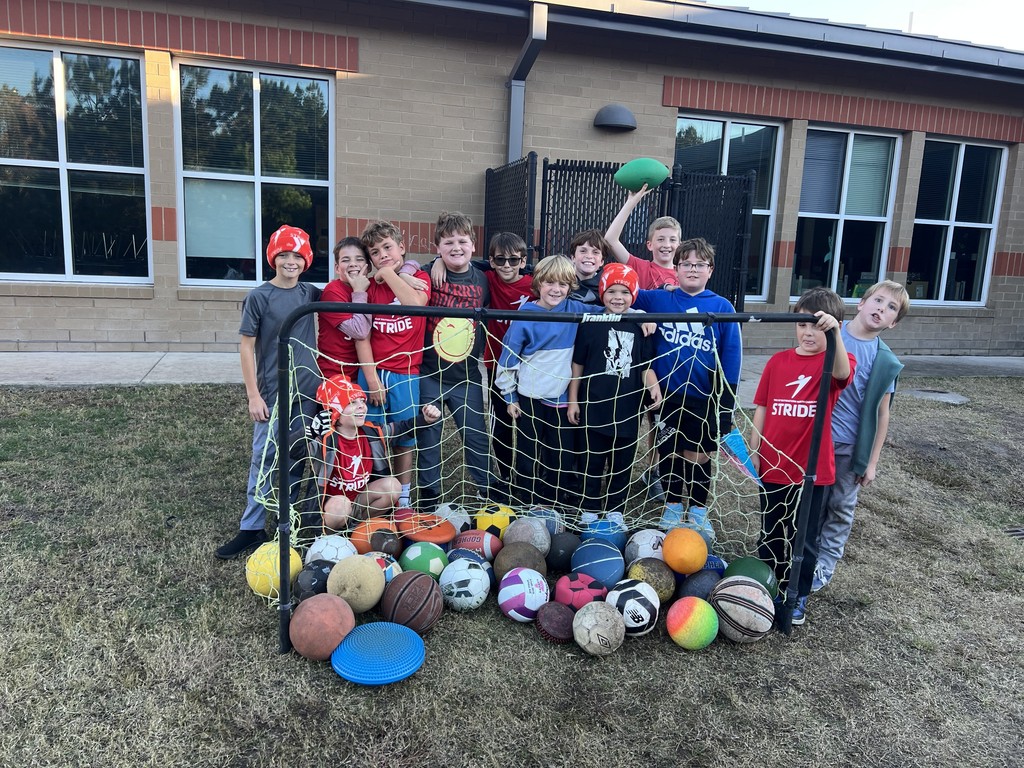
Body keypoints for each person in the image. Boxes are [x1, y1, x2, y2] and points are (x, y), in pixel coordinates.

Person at [750, 286, 855, 626]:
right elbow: (762, 406)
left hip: (812, 471)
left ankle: (798, 594)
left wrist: (835, 334)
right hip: (774, 465)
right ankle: (768, 586)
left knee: (804, 538)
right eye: (802, 325)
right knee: (771, 531)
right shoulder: (778, 361)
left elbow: (842, 374)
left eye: (817, 326)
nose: (808, 333)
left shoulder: (833, 361)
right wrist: (755, 448)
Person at [215, 225, 321, 560]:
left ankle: (286, 522)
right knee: (263, 459)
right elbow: (246, 347)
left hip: (307, 393)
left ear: (306, 260)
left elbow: (347, 290)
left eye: (297, 256)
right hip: (273, 394)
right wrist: (253, 395)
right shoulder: (259, 297)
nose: (291, 261)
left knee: (298, 456)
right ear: (273, 257)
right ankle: (251, 528)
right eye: (283, 254)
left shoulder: (310, 293)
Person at [631, 238, 742, 538]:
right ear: (676, 269)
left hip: (702, 397)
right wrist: (640, 316)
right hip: (667, 396)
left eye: (700, 264)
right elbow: (622, 293)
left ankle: (697, 508)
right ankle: (671, 505)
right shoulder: (659, 299)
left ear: (711, 270)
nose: (693, 269)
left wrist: (726, 405)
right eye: (686, 264)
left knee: (699, 454)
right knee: (669, 451)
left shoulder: (722, 306)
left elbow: (732, 356)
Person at [813, 280, 910, 592]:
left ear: (893, 323)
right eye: (878, 300)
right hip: (817, 439)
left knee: (840, 506)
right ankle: (804, 554)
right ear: (861, 303)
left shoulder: (885, 361)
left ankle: (824, 564)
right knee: (813, 503)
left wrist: (872, 462)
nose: (881, 308)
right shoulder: (830, 331)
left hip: (850, 446)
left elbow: (882, 413)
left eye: (891, 308)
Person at [495, 254, 598, 510]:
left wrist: (637, 314)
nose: (556, 289)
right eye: (550, 282)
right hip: (529, 396)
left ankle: (556, 501)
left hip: (561, 396)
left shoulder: (574, 309)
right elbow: (508, 358)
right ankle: (525, 500)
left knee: (560, 454)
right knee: (528, 453)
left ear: (570, 287)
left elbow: (609, 312)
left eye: (563, 284)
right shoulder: (526, 315)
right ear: (538, 283)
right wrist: (510, 397)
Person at [567, 263, 662, 525]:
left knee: (622, 463)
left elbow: (645, 366)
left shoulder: (640, 326)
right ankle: (589, 506)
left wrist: (653, 385)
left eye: (624, 292)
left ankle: (615, 509)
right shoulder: (590, 324)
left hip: (627, 410)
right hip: (594, 407)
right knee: (592, 461)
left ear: (633, 295)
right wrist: (573, 400)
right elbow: (578, 365)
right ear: (602, 293)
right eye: (611, 291)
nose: (618, 298)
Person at [416, 211, 497, 512]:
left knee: (476, 436)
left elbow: (508, 267)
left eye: (462, 241)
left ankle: (489, 491)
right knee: (429, 437)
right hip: (430, 374)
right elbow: (406, 270)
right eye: (448, 242)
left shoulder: (484, 278)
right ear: (437, 247)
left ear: (473, 245)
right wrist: (434, 263)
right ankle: (429, 497)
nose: (456, 247)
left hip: (466, 377)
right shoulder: (427, 273)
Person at [358, 221, 431, 508]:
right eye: (375, 253)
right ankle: (373, 491)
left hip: (405, 373)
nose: (383, 255)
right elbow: (363, 336)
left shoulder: (419, 277)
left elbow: (414, 304)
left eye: (387, 247)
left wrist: (388, 273)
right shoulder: (370, 289)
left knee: (405, 436)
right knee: (370, 435)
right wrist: (371, 379)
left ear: (401, 247)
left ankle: (403, 499)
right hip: (374, 372)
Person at [310, 375, 441, 530]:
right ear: (334, 411)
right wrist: (310, 433)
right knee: (340, 506)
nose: (361, 406)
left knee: (392, 486)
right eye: (352, 402)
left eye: (362, 401)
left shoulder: (372, 432)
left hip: (361, 500)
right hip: (334, 506)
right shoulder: (324, 440)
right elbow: (294, 451)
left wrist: (424, 419)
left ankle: (356, 528)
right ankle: (331, 536)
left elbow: (402, 429)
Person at [481, 233, 535, 486]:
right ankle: (504, 475)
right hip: (496, 363)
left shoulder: (534, 285)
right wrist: (437, 261)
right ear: (491, 261)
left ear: (523, 261)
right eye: (500, 259)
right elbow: (464, 264)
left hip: (529, 365)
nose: (506, 265)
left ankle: (528, 476)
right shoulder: (487, 278)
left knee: (528, 423)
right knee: (501, 423)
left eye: (513, 260)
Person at [604, 184, 681, 290]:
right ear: (650, 245)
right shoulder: (641, 267)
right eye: (660, 239)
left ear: (679, 245)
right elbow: (610, 240)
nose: (667, 245)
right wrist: (631, 202)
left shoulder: (685, 272)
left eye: (672, 240)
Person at [317, 237, 373, 382]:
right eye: (346, 260)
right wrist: (359, 292)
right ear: (337, 268)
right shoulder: (332, 291)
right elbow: (359, 332)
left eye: (359, 259)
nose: (353, 264)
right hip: (334, 375)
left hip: (362, 373)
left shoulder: (372, 286)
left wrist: (408, 270)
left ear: (368, 266)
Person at [566, 229, 610, 305]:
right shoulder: (562, 281)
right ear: (573, 257)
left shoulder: (608, 286)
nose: (589, 256)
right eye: (583, 251)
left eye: (595, 252)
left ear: (602, 261)